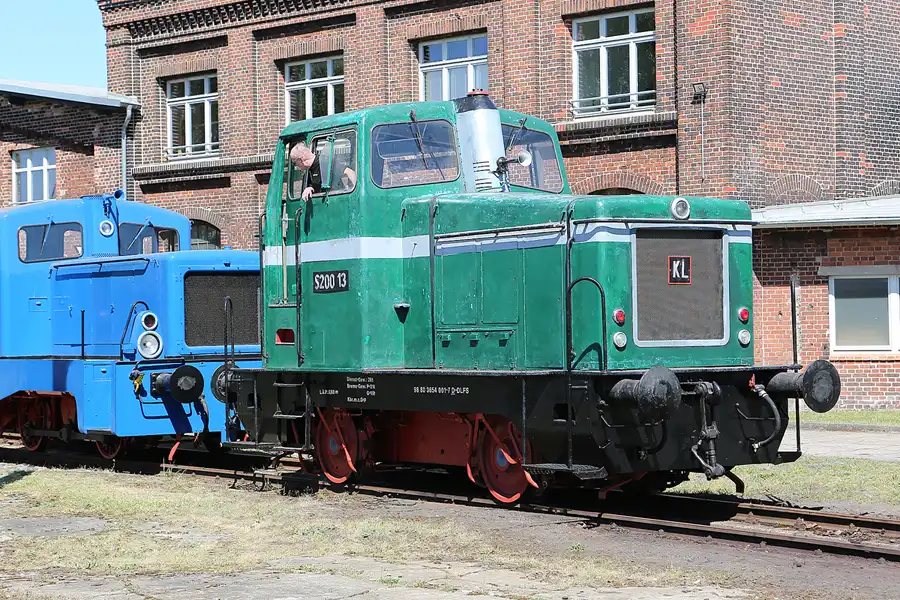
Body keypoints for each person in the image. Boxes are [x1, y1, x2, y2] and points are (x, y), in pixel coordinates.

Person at [289, 141, 357, 200]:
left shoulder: (326, 162)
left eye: (295, 163)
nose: (296, 165)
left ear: (301, 159)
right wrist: (309, 189)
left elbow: (349, 172)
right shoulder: (308, 172)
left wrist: (355, 194)